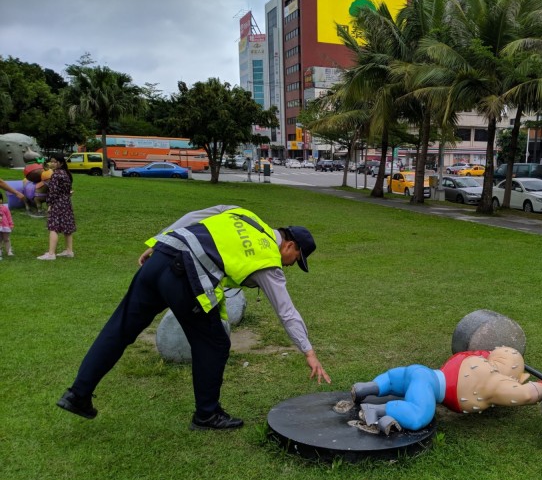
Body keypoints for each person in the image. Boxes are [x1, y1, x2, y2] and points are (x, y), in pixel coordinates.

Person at [56, 204, 331, 430]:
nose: (291, 264)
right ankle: (207, 415)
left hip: (162, 255)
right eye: (296, 259)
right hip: (184, 277)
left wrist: (159, 239)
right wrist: (308, 352)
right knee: (215, 343)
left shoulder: (243, 214)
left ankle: (77, 394)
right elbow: (286, 311)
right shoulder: (267, 258)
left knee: (121, 327)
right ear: (290, 245)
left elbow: (194, 217)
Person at [349, 346, 542, 435]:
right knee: (419, 416)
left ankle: (368, 387)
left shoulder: (474, 356)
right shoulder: (493, 381)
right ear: (515, 377)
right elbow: (527, 394)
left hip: (420, 371)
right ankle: (378, 410)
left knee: (392, 380)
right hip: (427, 387)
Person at [37, 154, 76, 260]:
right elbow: (68, 190)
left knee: (53, 227)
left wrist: (50, 204)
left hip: (58, 203)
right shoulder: (66, 174)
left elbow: (53, 192)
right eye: (51, 161)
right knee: (67, 227)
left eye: (54, 162)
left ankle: (51, 254)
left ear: (61, 163)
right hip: (66, 203)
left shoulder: (56, 174)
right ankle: (69, 251)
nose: (52, 164)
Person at [0, 179, 24, 259]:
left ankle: (8, 250)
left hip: (5, 226)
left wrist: (10, 224)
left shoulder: (4, 208)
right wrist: (16, 193)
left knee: (6, 239)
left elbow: (8, 216)